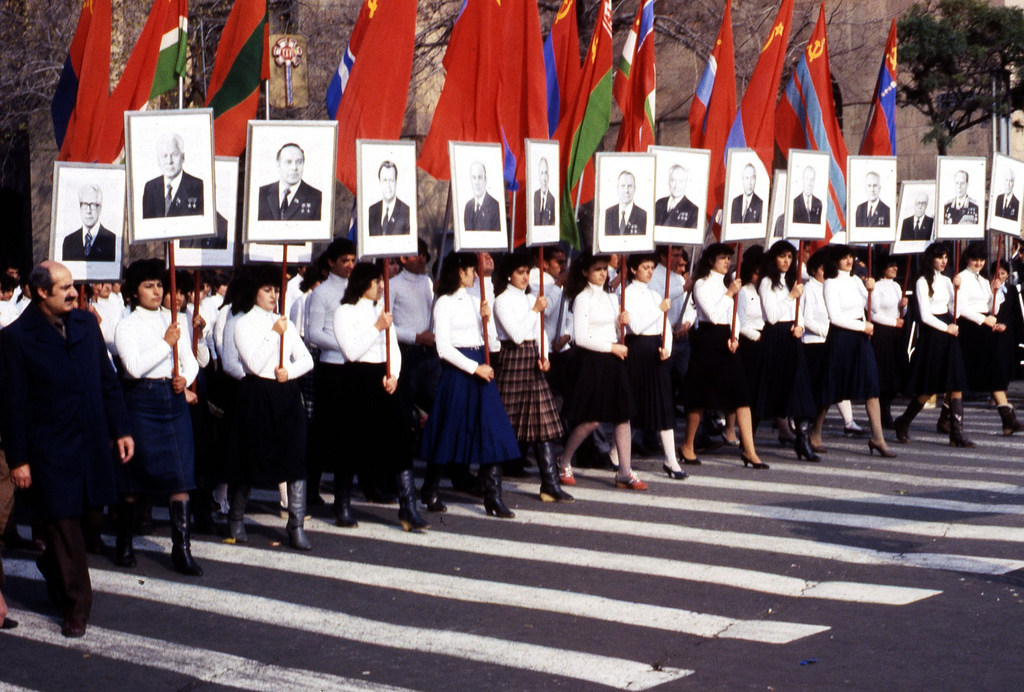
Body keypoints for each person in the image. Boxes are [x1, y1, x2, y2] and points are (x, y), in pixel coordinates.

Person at [0, 261, 134, 638]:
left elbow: (108, 381)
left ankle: (49, 561)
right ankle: (77, 607)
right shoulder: (16, 338)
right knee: (65, 526)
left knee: (91, 518)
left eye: (73, 286)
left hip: (91, 444)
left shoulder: (86, 324)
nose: (74, 293)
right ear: (41, 292)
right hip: (50, 450)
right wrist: (19, 459)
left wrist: (120, 428)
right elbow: (13, 405)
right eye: (65, 288)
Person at [113, 259, 203, 576]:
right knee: (133, 477)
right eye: (148, 286)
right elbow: (134, 367)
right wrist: (166, 344)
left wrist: (184, 377)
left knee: (181, 475)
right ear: (134, 292)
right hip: (140, 400)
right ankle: (124, 543)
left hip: (172, 399)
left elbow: (190, 361)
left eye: (159, 285)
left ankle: (183, 551)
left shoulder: (173, 318)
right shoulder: (127, 324)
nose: (156, 291)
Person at [420, 252, 520, 517]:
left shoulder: (477, 299)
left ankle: (493, 497)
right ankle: (430, 488)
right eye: (471, 270)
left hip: (480, 362)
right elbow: (442, 347)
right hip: (459, 370)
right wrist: (473, 367)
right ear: (459, 272)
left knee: (493, 429)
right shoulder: (444, 303)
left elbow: (492, 342)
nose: (476, 274)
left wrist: (486, 320)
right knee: (447, 430)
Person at [332, 262, 430, 530]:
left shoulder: (382, 311)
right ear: (363, 282)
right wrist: (377, 326)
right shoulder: (345, 311)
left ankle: (408, 508)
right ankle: (341, 504)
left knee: (399, 442)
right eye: (377, 281)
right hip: (356, 379)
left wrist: (394, 375)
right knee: (351, 444)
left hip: (383, 379)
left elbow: (393, 348)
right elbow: (351, 351)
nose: (382, 286)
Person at [224, 268, 316, 548]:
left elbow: (307, 360)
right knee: (249, 458)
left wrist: (289, 370)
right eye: (267, 290)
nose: (274, 295)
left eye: (276, 290)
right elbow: (252, 362)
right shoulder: (242, 323)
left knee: (295, 458)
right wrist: (274, 334)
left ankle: (296, 524)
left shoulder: (282, 321)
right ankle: (236, 518)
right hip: (256, 393)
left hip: (285, 394)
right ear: (255, 292)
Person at [557, 252, 649, 489]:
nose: (602, 273)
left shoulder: (611, 296)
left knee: (623, 416)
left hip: (613, 359)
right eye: (597, 269)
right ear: (586, 272)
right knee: (592, 420)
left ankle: (624, 472)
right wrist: (612, 347)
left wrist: (623, 324)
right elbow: (581, 337)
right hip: (592, 360)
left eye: (604, 268)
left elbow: (615, 332)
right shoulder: (582, 298)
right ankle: (564, 460)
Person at [491, 253, 575, 500]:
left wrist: (544, 354)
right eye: (520, 272)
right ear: (509, 274)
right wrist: (535, 310)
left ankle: (549, 483)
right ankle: (492, 484)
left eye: (527, 272)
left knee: (543, 423)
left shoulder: (530, 298)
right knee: (504, 422)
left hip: (533, 359)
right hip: (513, 358)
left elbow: (540, 332)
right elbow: (516, 334)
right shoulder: (502, 301)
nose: (525, 277)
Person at [679, 244, 767, 468]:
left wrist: (735, 336)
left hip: (728, 340)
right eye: (722, 258)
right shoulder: (701, 284)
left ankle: (749, 450)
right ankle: (687, 445)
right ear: (711, 260)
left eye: (729, 258)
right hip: (708, 339)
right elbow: (714, 314)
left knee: (741, 396)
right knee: (700, 397)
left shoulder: (728, 282)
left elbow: (734, 315)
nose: (727, 262)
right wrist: (730, 293)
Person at [812, 246, 896, 458]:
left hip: (861, 339)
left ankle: (878, 437)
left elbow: (870, 308)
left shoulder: (857, 281)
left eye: (851, 257)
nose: (849, 261)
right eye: (844, 257)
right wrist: (861, 326)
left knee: (871, 386)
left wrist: (871, 289)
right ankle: (815, 432)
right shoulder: (831, 283)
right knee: (832, 388)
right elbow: (835, 317)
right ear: (835, 260)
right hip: (841, 338)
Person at [894, 242, 973, 446]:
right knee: (929, 387)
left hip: (948, 331)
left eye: (946, 257)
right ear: (931, 259)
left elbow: (956, 309)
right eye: (940, 257)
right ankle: (903, 422)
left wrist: (959, 288)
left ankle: (957, 433)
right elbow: (925, 315)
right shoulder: (921, 281)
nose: (944, 261)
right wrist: (946, 328)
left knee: (955, 383)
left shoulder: (947, 280)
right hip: (933, 334)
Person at [754, 241, 820, 461]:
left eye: (790, 257)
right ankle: (749, 442)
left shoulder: (794, 279)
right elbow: (772, 315)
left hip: (792, 336)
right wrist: (790, 295)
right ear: (774, 258)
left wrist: (799, 325)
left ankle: (802, 441)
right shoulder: (766, 282)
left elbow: (798, 309)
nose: (786, 261)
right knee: (766, 388)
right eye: (782, 256)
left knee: (800, 387)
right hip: (774, 336)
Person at [305, 238, 358, 514]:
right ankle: (311, 488)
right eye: (344, 261)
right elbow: (314, 334)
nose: (350, 265)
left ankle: (345, 493)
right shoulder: (321, 293)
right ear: (331, 262)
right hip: (331, 367)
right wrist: (346, 344)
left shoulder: (359, 291)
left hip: (355, 367)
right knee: (324, 431)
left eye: (352, 260)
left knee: (350, 432)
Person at [623, 253, 686, 479]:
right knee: (634, 407)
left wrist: (666, 346)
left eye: (651, 267)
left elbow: (664, 325)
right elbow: (637, 326)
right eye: (645, 267)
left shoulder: (655, 294)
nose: (650, 271)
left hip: (656, 351)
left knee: (664, 405)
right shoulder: (626, 295)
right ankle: (615, 455)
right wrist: (659, 309)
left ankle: (671, 461)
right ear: (633, 270)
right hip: (637, 350)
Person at [954, 242, 1024, 435]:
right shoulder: (962, 278)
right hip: (969, 329)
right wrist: (984, 319)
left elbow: (993, 308)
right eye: (974, 259)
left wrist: (995, 292)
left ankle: (1008, 420)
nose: (978, 263)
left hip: (983, 330)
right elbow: (959, 308)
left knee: (992, 372)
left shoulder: (984, 279)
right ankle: (949, 422)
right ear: (967, 259)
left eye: (981, 260)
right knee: (959, 377)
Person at [869, 253, 907, 428]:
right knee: (883, 373)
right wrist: (893, 322)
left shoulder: (898, 286)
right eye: (891, 265)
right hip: (882, 333)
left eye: (896, 265)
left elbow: (901, 313)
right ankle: (883, 412)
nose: (895, 268)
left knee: (896, 372)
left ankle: (888, 405)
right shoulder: (876, 286)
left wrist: (904, 307)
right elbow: (873, 312)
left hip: (895, 333)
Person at [141, 133, 204, 218]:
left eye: (174, 155)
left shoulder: (198, 186)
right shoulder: (150, 187)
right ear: (158, 160)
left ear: (183, 157)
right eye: (164, 156)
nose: (169, 161)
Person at [257, 143, 322, 221]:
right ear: (278, 164)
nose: (294, 168)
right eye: (288, 162)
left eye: (299, 162)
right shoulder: (261, 193)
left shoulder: (317, 198)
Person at [62, 184, 117, 261]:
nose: (88, 211)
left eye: (93, 205)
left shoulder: (113, 240)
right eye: (84, 204)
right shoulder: (69, 241)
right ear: (80, 207)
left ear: (100, 209)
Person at [368, 161, 411, 236]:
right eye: (385, 180)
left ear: (396, 182)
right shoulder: (372, 210)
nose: (388, 185)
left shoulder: (406, 211)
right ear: (380, 182)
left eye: (391, 180)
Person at [604, 170, 647, 236]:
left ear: (634, 189)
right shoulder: (607, 214)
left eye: (629, 186)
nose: (626, 190)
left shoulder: (643, 216)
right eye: (623, 186)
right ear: (617, 188)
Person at [464, 161, 501, 231]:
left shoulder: (495, 206)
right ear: (470, 181)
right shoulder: (468, 207)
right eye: (474, 178)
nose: (477, 182)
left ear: (485, 180)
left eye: (480, 177)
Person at [533, 157, 556, 226]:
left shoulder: (552, 200)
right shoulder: (535, 196)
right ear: (539, 175)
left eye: (546, 173)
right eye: (542, 173)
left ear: (548, 176)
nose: (544, 178)